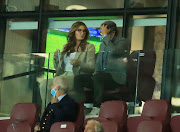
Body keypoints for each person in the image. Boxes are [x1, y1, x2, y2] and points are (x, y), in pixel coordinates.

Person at [40, 21, 95, 111]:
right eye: (79, 30)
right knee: (44, 84)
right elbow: (59, 68)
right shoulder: (66, 47)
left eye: (84, 31)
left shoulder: (89, 47)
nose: (82, 33)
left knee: (58, 83)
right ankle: (49, 110)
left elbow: (91, 67)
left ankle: (57, 110)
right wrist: (56, 59)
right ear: (74, 32)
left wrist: (79, 63)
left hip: (75, 76)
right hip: (62, 75)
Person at [90, 21, 130, 115]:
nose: (101, 33)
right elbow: (99, 61)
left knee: (99, 77)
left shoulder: (122, 41)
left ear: (112, 32)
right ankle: (80, 107)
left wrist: (105, 37)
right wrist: (95, 72)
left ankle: (97, 107)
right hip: (101, 76)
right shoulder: (102, 44)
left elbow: (115, 53)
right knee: (80, 79)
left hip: (115, 77)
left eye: (103, 31)